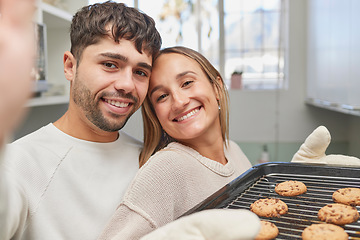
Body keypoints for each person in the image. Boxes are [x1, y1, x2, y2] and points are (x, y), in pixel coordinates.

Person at [1, 2, 162, 239]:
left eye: (140, 72)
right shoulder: (18, 165)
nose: (127, 85)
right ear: (70, 66)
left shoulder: (152, 162)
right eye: (110, 64)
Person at [98, 46, 254, 239]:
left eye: (187, 83)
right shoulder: (167, 169)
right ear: (156, 115)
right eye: (162, 96)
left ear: (217, 87)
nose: (179, 102)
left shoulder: (234, 151)